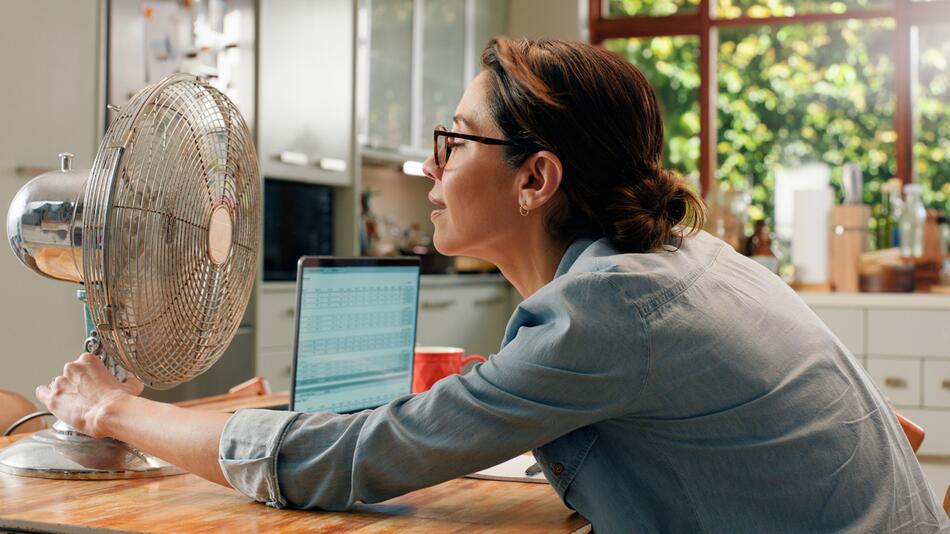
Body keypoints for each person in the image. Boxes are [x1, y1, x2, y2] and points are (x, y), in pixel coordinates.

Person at [35, 37, 947, 532]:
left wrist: (114, 410)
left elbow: (343, 465)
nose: (429, 167)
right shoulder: (680, 264)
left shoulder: (609, 311)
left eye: (455, 141)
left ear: (536, 180)